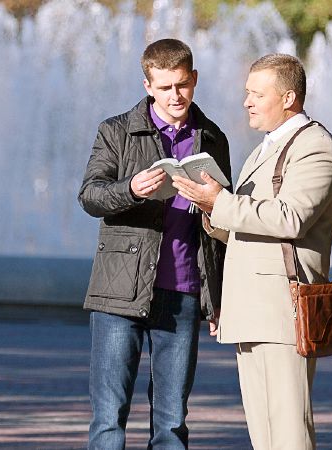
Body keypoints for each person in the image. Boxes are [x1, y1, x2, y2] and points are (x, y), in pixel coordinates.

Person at [173, 54, 332, 449]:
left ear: (288, 98)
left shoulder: (316, 147)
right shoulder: (268, 146)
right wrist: (209, 207)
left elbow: (290, 219)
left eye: (256, 94)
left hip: (283, 309)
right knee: (264, 436)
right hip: (254, 310)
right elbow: (249, 224)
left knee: (288, 432)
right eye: (246, 93)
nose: (247, 102)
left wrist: (221, 201)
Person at [77, 38, 231, 449]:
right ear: (147, 85)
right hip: (118, 291)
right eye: (164, 88)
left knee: (173, 422)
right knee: (109, 418)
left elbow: (222, 229)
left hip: (183, 293)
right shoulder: (116, 131)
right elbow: (90, 195)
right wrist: (130, 188)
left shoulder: (213, 138)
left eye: (182, 85)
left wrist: (217, 298)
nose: (175, 96)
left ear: (194, 79)